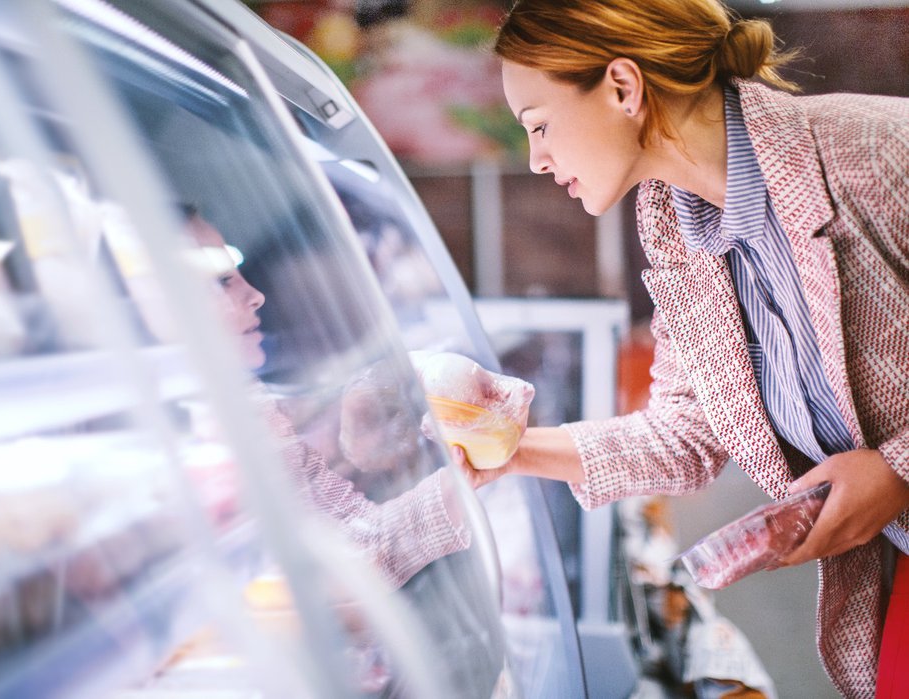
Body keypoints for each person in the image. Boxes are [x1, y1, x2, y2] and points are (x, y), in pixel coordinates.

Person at [456, 1, 909, 696]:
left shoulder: (876, 151)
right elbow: (690, 428)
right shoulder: (672, 221)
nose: (537, 159)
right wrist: (507, 450)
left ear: (622, 87)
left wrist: (895, 468)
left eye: (539, 125)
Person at [183, 211, 472, 589]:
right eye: (222, 281)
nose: (256, 296)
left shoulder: (249, 406)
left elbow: (366, 546)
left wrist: (473, 472)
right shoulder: (183, 425)